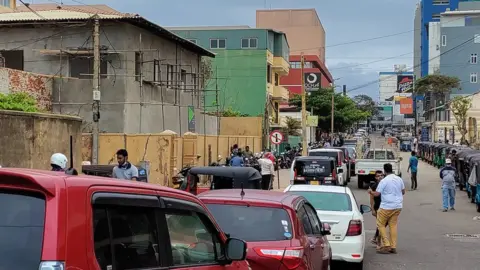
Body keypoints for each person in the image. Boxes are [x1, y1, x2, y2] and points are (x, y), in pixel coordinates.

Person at [368, 163, 405, 254]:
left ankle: (386, 244)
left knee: (380, 224)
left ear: (384, 171)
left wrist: (370, 192)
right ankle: (393, 246)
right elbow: (403, 192)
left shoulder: (384, 181)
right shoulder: (399, 179)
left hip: (386, 206)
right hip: (398, 206)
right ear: (392, 169)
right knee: (393, 226)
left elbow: (377, 194)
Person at [369, 170, 384, 249]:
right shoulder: (374, 186)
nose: (380, 177)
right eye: (378, 176)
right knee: (381, 224)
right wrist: (372, 209)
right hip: (377, 207)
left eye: (381, 175)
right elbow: (371, 198)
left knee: (380, 224)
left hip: (385, 207)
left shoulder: (385, 184)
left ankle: (375, 238)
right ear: (375, 177)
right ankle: (378, 242)